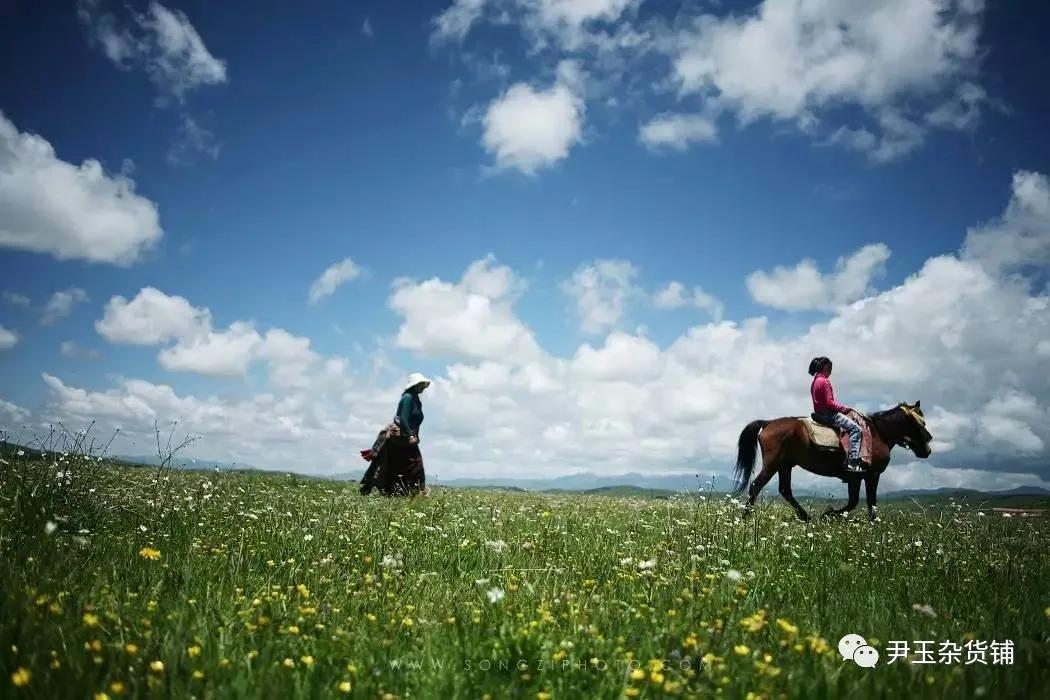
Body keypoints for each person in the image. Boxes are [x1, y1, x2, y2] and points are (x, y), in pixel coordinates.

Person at [359, 373, 430, 495]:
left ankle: (406, 493)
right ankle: (414, 492)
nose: (423, 387)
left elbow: (414, 422)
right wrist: (410, 435)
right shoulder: (407, 397)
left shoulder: (416, 399)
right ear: (415, 385)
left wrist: (416, 435)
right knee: (412, 465)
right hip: (401, 439)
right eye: (421, 384)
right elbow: (403, 418)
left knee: (401, 466)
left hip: (407, 438)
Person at [808, 357, 864, 473]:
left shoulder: (814, 382)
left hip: (819, 413)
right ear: (826, 368)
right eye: (830, 369)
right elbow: (830, 403)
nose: (831, 372)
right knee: (856, 429)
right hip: (829, 415)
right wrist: (844, 408)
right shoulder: (825, 381)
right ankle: (852, 462)